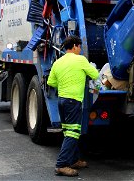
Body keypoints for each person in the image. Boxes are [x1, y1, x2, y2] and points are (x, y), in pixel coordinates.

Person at [47, 35, 99, 177]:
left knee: (68, 132)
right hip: (73, 101)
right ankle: (61, 165)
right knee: (73, 133)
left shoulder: (58, 62)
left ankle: (74, 160)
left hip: (62, 101)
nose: (80, 49)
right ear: (75, 46)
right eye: (80, 46)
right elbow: (95, 74)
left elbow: (51, 82)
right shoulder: (80, 60)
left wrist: (64, 84)